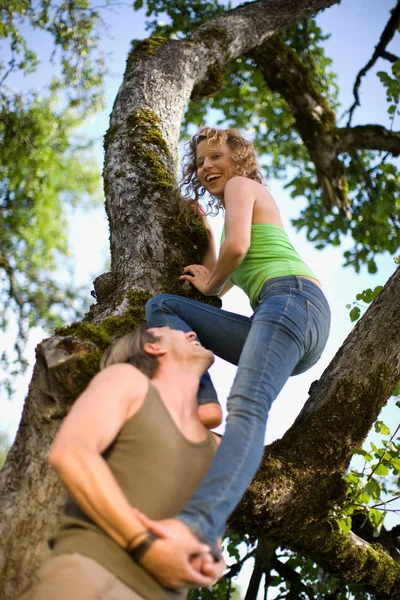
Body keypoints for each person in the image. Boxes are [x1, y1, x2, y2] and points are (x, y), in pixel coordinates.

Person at [143, 126, 331, 577]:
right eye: (201, 160)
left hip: (292, 300)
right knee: (163, 306)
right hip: (286, 318)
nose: (206, 165)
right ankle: (201, 398)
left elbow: (237, 250)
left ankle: (201, 528)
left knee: (247, 409)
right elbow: (222, 273)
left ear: (240, 159)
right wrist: (207, 241)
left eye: (216, 156)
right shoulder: (233, 210)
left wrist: (213, 272)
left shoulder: (245, 187)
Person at [17, 324, 225, 600]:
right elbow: (72, 454)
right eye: (174, 331)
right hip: (92, 581)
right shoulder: (127, 380)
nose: (191, 333)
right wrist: (143, 544)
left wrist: (210, 562)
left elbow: (211, 537)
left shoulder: (218, 447)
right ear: (153, 347)